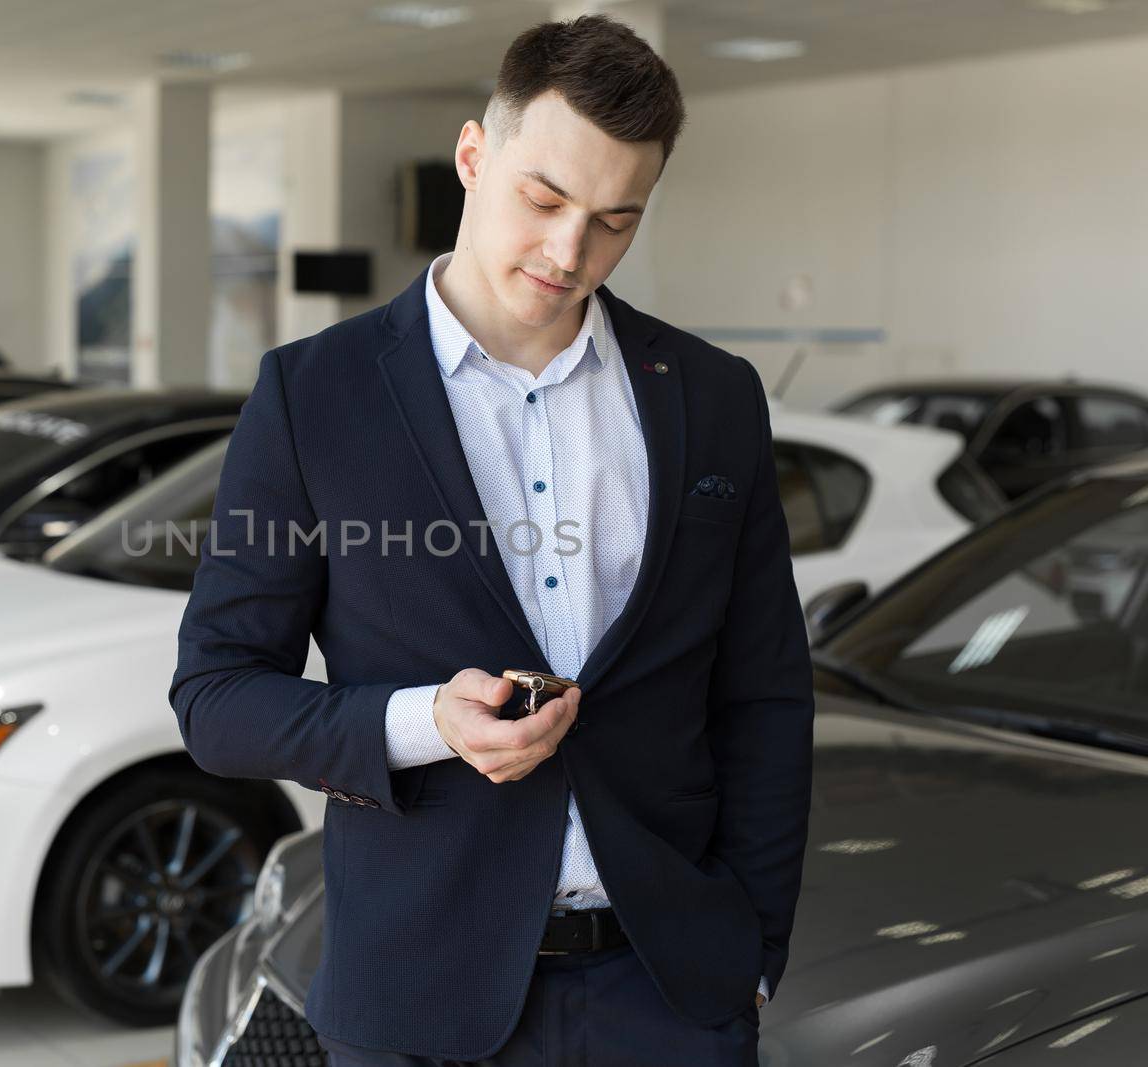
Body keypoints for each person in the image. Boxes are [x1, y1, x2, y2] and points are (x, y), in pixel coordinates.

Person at [170, 13, 813, 1066]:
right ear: (474, 156)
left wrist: (750, 951)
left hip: (670, 995)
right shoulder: (312, 394)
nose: (570, 252)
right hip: (420, 993)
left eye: (615, 218)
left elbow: (764, 693)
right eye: (544, 199)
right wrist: (426, 721)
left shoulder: (712, 395)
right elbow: (217, 698)